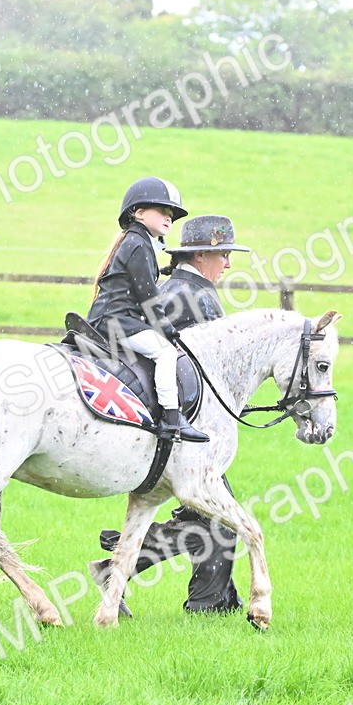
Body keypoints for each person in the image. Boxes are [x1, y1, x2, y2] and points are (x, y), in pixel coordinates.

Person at [90, 214, 250, 615]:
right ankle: (207, 606)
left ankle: (124, 569)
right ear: (202, 254)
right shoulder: (195, 297)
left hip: (174, 429)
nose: (228, 264)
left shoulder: (174, 288)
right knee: (218, 520)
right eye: (224, 255)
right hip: (183, 433)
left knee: (206, 521)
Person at [87, 177, 209, 443]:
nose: (168, 219)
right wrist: (168, 331)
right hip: (117, 322)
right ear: (138, 212)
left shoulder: (136, 242)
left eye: (171, 216)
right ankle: (171, 419)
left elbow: (141, 284)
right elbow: (148, 298)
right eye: (162, 212)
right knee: (165, 352)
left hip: (113, 319)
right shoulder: (139, 245)